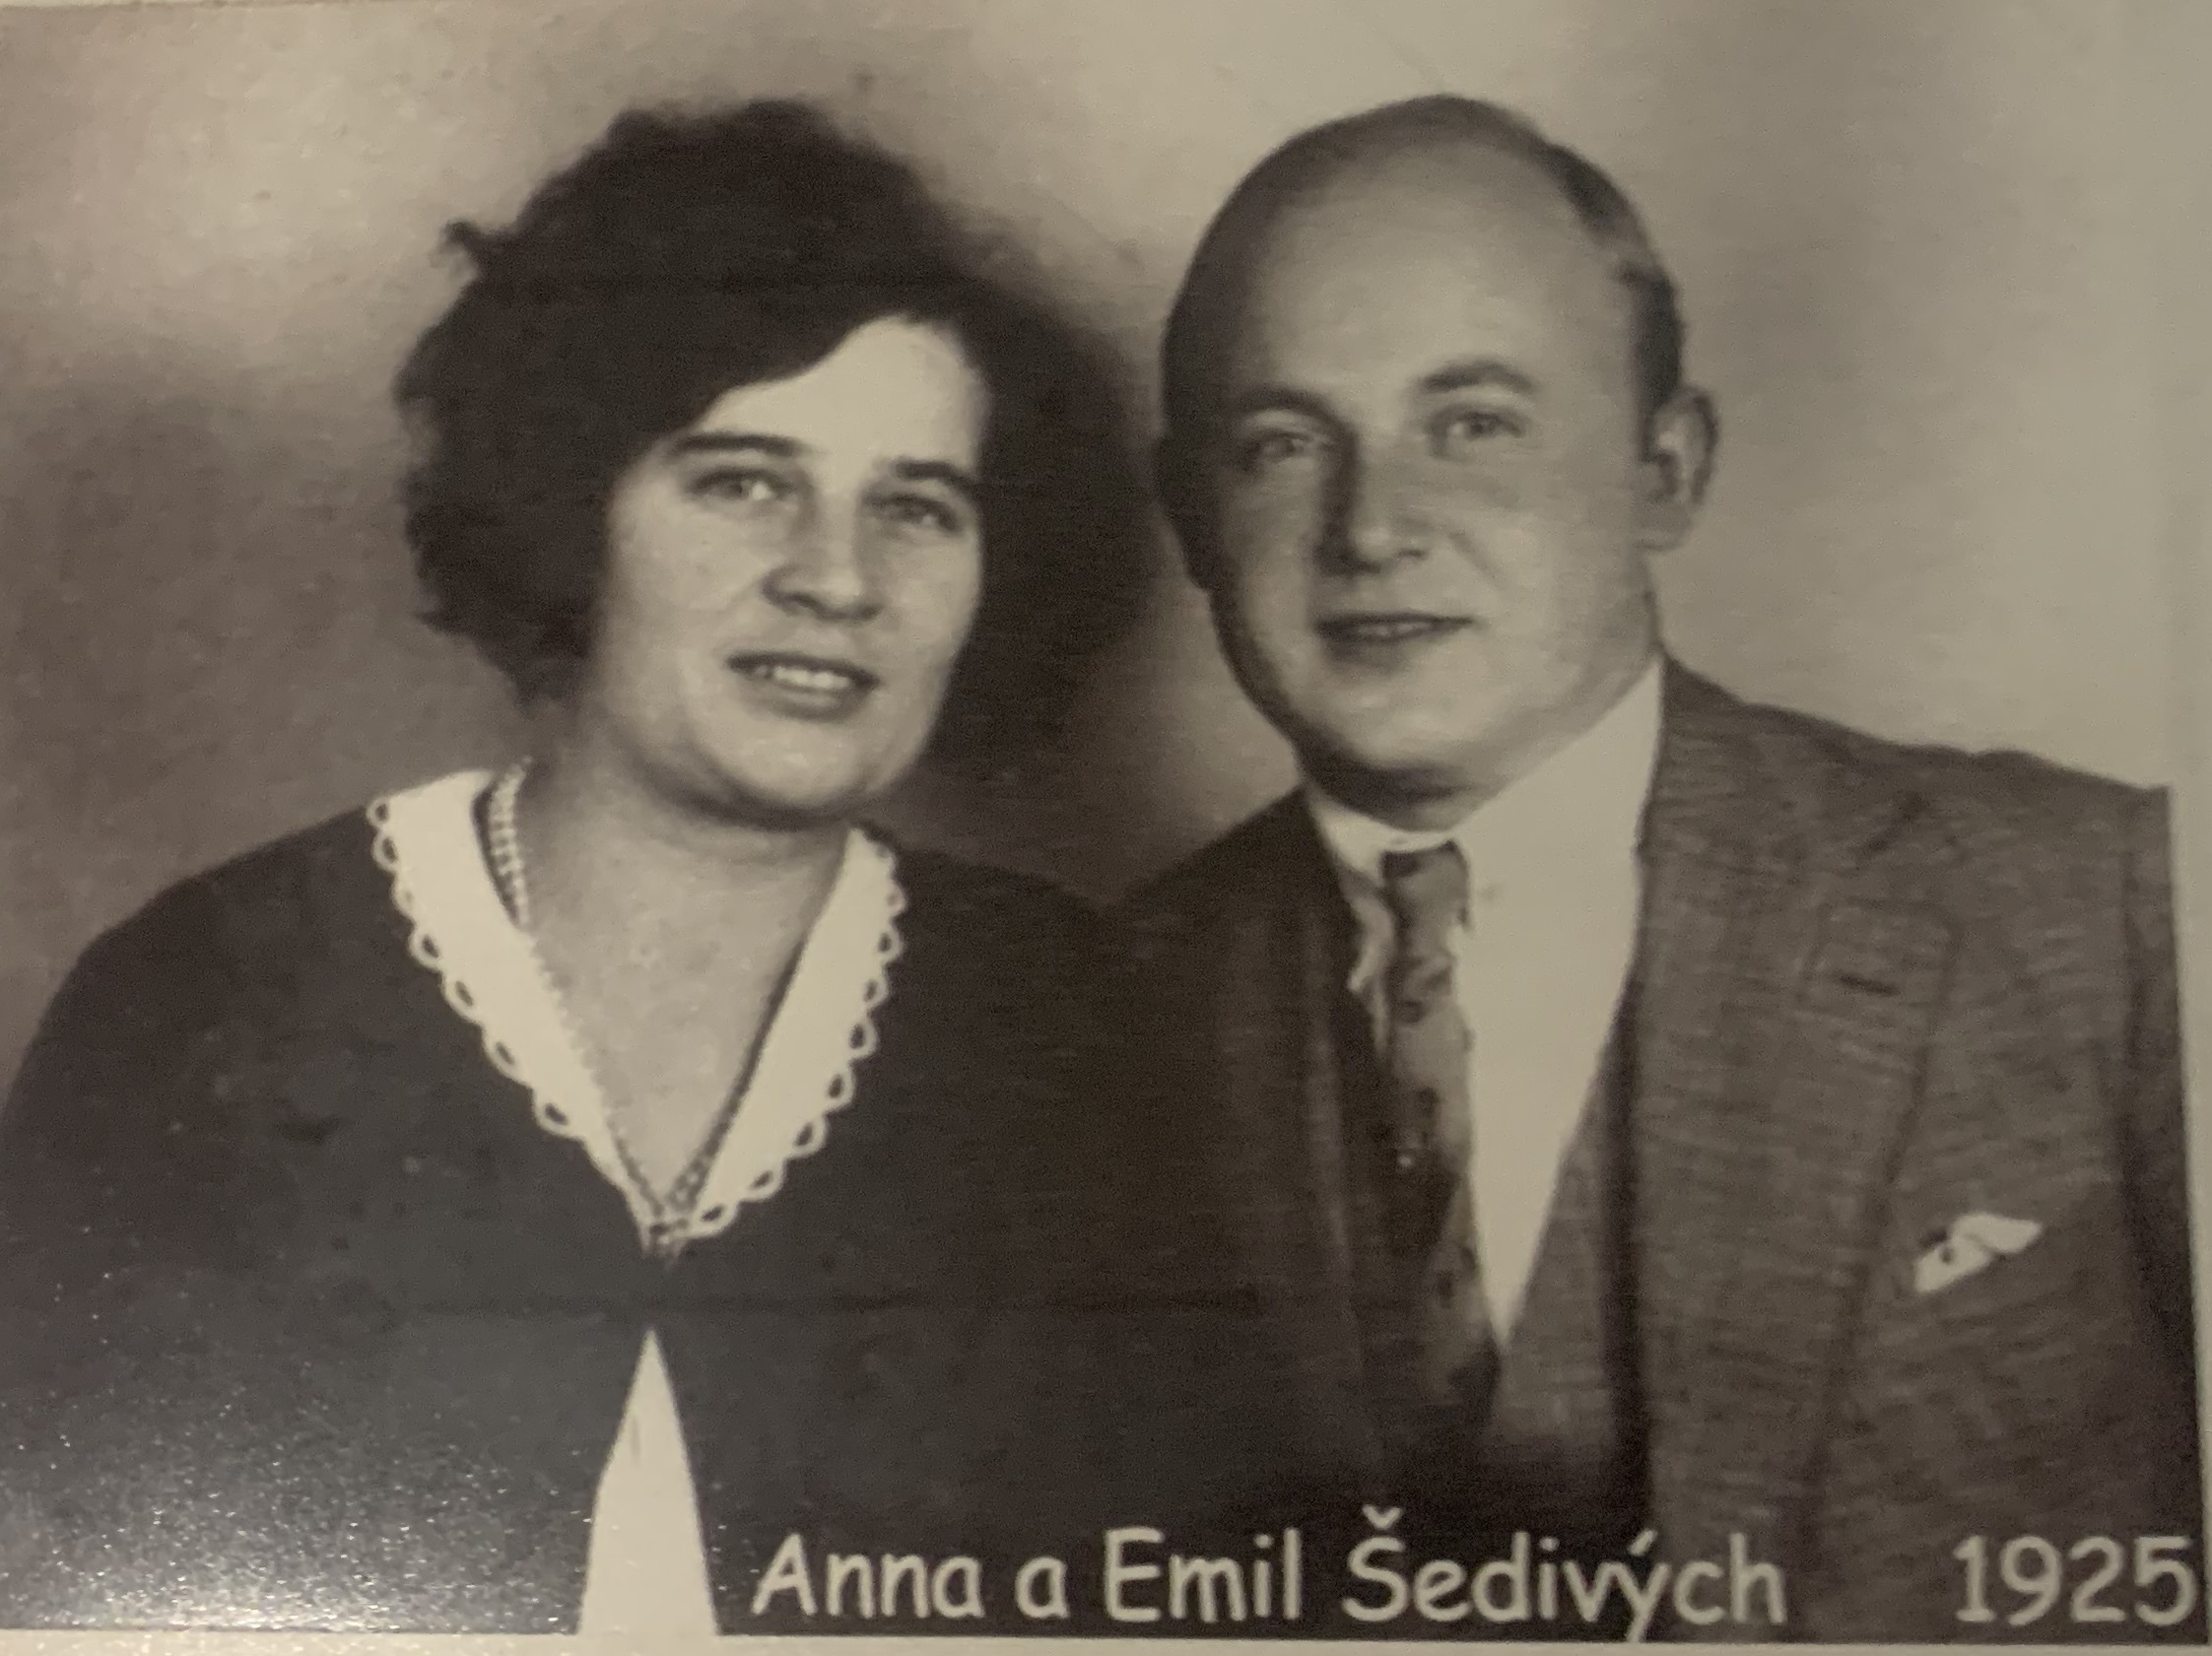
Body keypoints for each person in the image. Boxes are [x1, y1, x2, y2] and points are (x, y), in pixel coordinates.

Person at [0, 101, 1213, 1634]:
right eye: (743, 481)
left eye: (917, 507)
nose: (838, 578)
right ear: (567, 508)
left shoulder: (1074, 1030)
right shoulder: (199, 997)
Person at [1123, 95, 2200, 1640]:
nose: (1371, 528)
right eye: (1283, 444)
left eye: (1472, 425)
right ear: (1188, 518)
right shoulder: (1099, 1009)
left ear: (1663, 468)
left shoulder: (2107, 909)